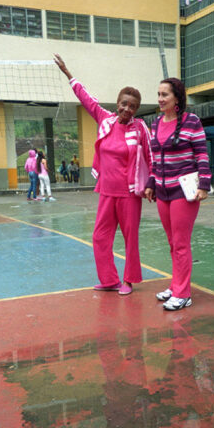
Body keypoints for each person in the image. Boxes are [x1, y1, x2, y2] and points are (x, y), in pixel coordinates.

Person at [54, 52, 151, 296]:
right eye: (124, 103)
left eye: (132, 106)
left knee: (130, 239)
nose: (127, 108)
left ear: (137, 109)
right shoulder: (105, 119)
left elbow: (151, 158)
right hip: (106, 191)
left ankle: (128, 281)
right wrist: (68, 73)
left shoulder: (141, 129)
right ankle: (109, 279)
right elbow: (86, 99)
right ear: (117, 103)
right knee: (100, 237)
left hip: (130, 195)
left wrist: (152, 184)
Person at [144, 77, 212, 311]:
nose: (160, 99)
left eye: (165, 95)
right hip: (162, 190)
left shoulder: (191, 121)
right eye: (159, 94)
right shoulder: (155, 123)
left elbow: (202, 154)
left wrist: (204, 183)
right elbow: (154, 159)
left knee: (181, 243)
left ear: (177, 98)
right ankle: (176, 285)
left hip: (184, 191)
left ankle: (183, 294)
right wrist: (151, 182)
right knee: (172, 242)